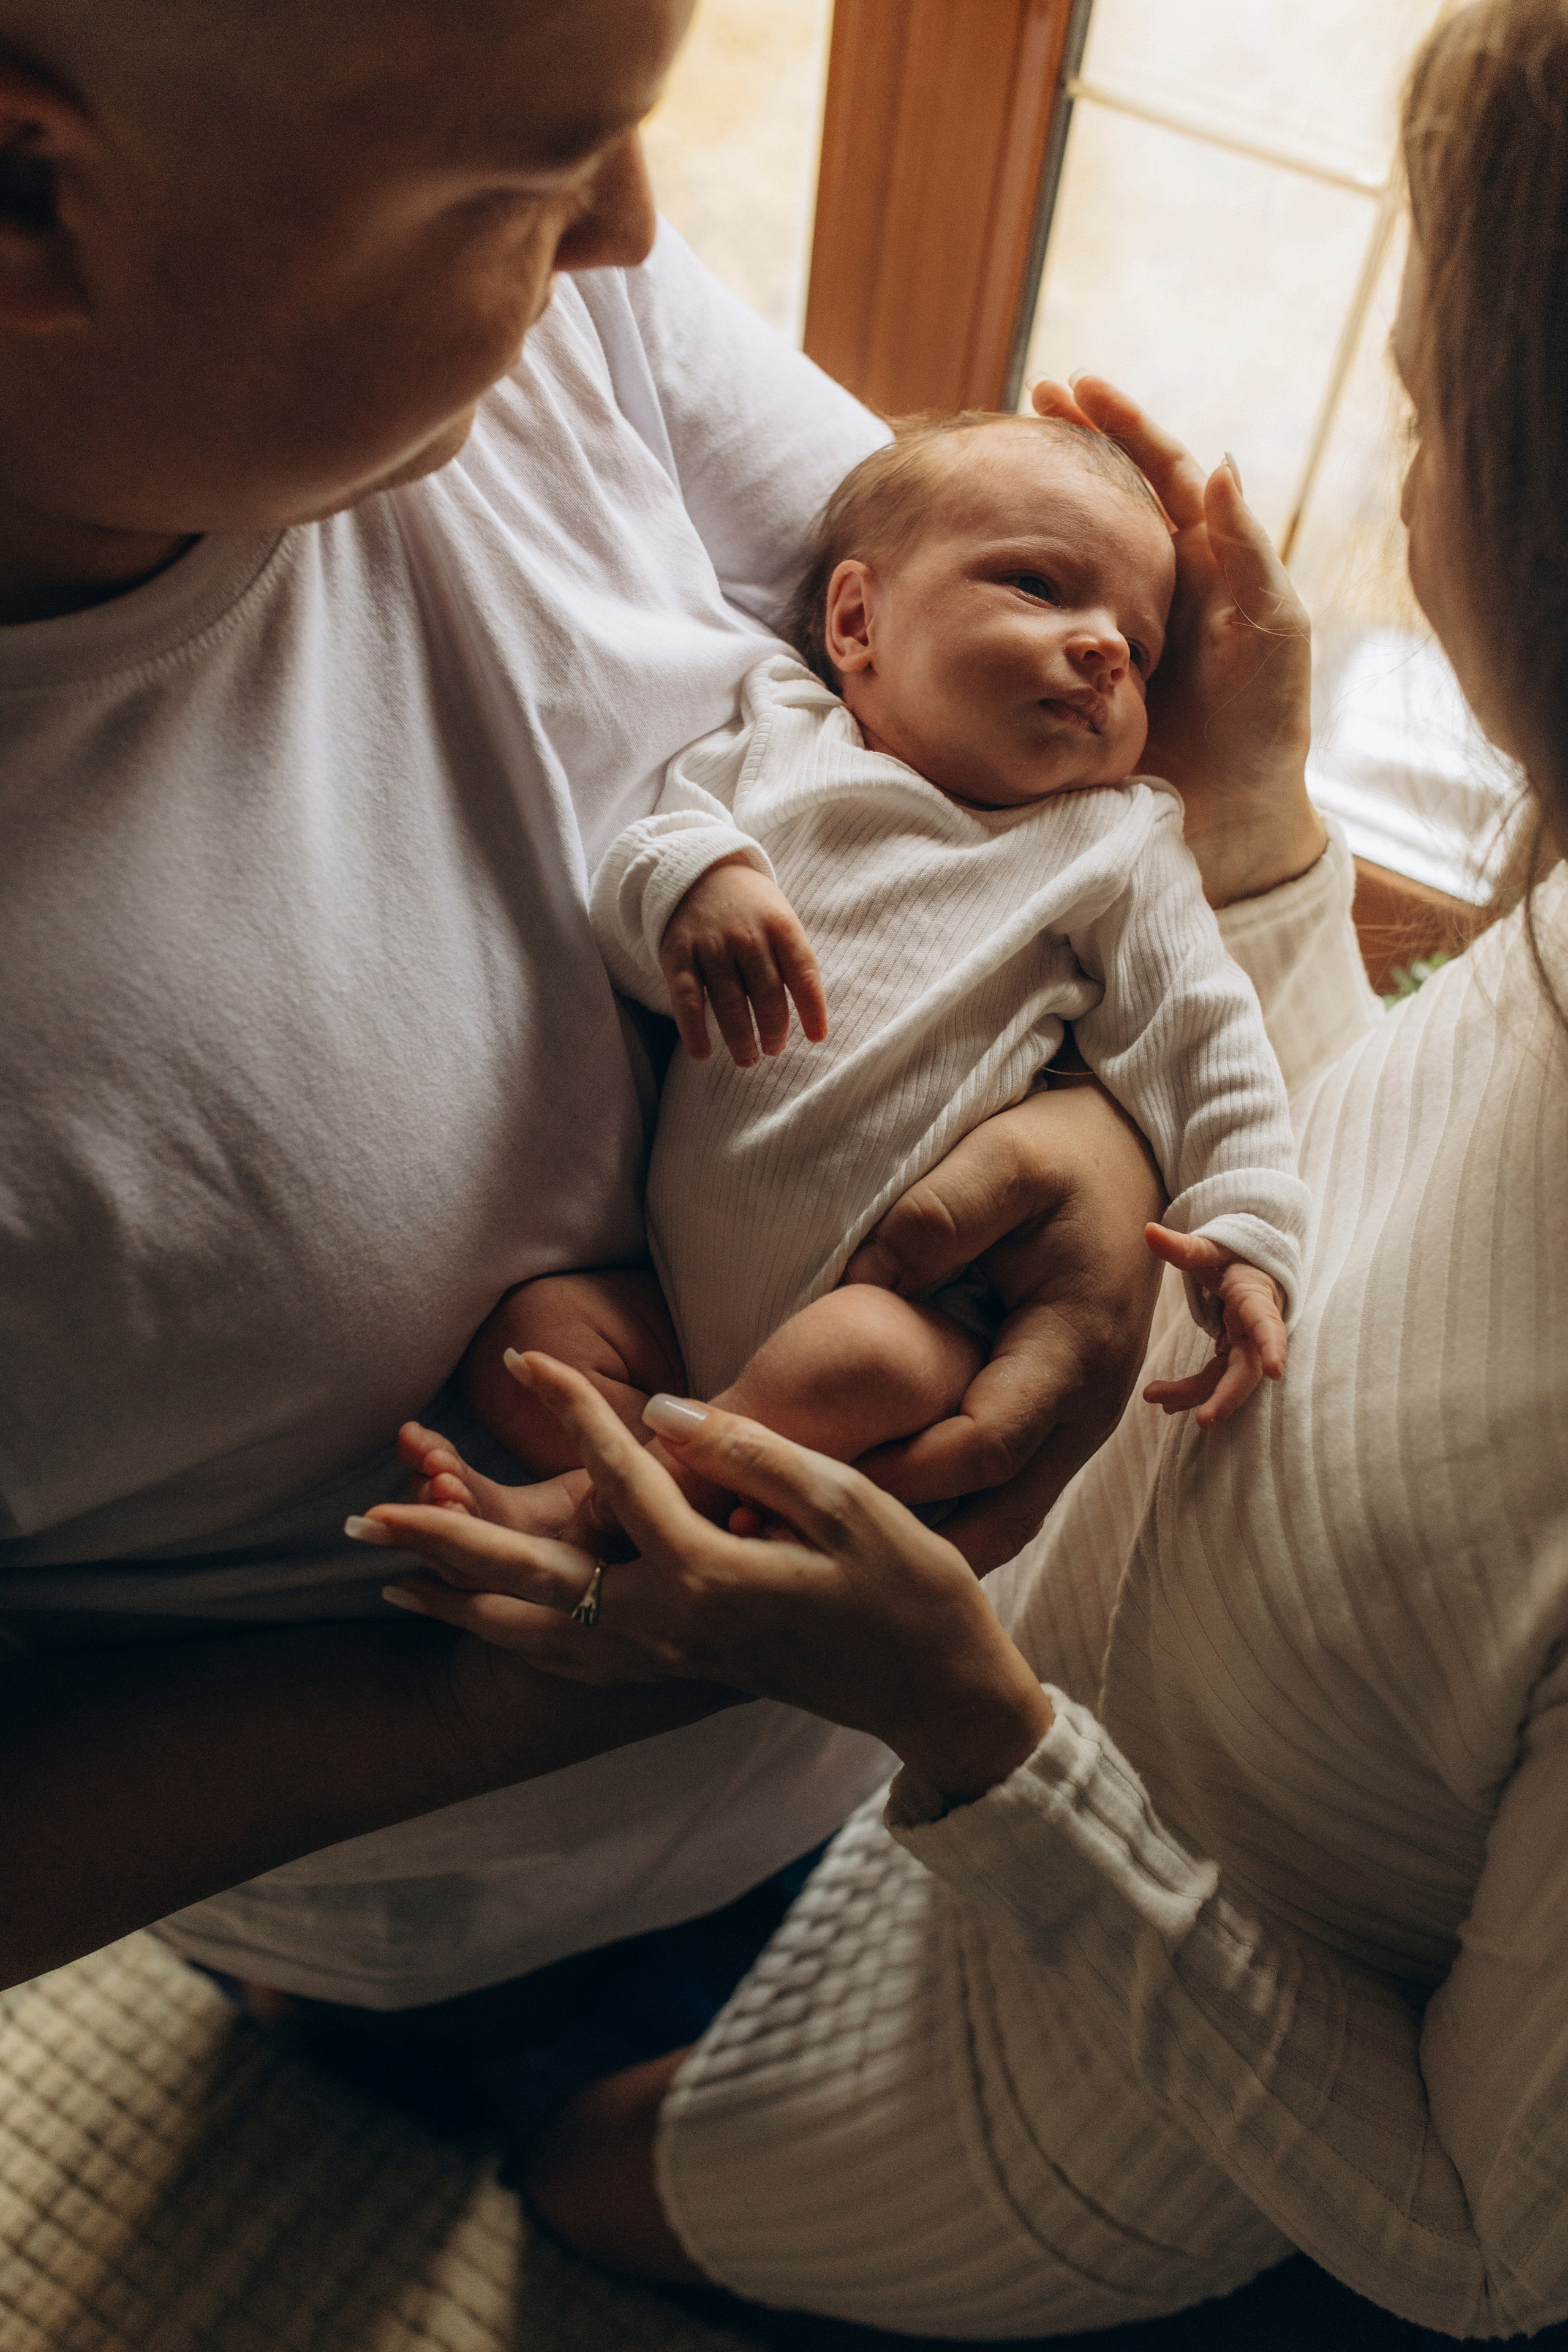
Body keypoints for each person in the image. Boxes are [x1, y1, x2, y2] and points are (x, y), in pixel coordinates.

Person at [353, 0, 1568, 2334]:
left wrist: (981, 1739)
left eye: (1427, 415)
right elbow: (1325, 1207)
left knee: (582, 2185)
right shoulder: (1517, 940)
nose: (1397, 500)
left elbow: (1490, 2243)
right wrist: (1253, 819)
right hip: (933, 1753)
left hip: (1045, 2098)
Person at [0, 0, 1227, 2010]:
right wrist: (525, 1702)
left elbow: (971, 749)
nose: (642, 229)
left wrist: (1096, 1121)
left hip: (860, 1741)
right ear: (28, 194)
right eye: (536, 174)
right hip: (433, 1884)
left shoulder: (510, 317)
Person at [420, 413, 1306, 1577]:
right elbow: (640, 870)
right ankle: (702, 1489)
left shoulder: (1114, 844)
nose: (1102, 650)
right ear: (856, 621)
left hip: (901, 1312)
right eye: (1041, 587)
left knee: (862, 1367)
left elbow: (1205, 1040)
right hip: (674, 1305)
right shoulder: (779, 739)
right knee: (530, 1347)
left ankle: (604, 1508)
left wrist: (1249, 1233)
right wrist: (698, 885)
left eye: (1137, 653)